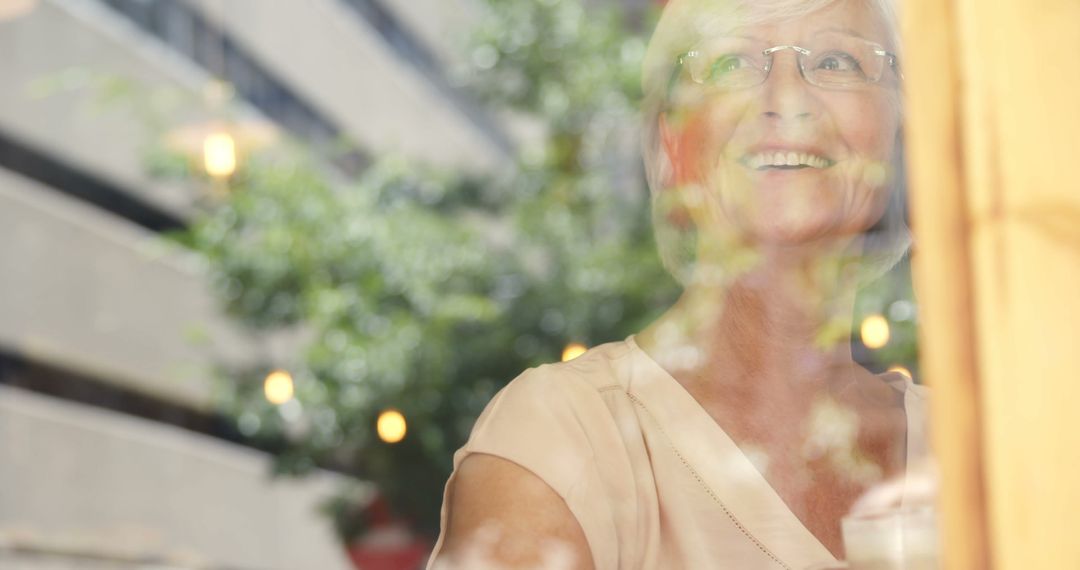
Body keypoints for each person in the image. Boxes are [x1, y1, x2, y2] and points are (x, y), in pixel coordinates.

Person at [428, 0, 928, 568]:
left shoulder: (971, 448)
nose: (787, 100)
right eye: (731, 65)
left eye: (837, 60)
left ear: (897, 137)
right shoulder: (563, 440)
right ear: (673, 147)